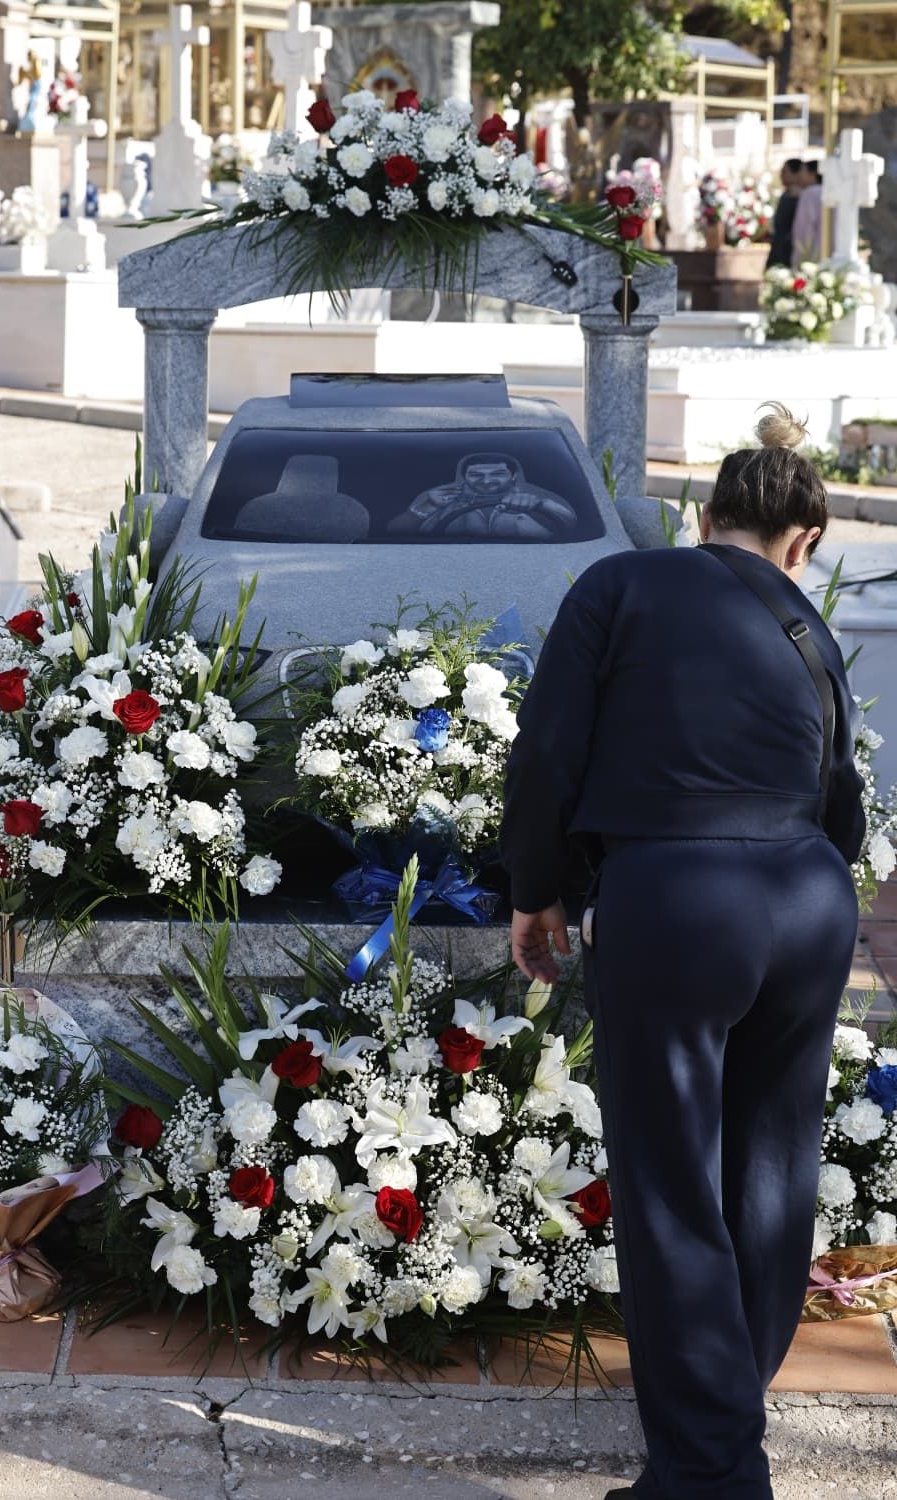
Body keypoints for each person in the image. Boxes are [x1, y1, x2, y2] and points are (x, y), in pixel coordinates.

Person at [500, 403, 865, 1500]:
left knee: (669, 1185)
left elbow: (548, 750)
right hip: (804, 900)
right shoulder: (807, 627)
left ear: (700, 515)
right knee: (769, 1172)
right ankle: (716, 1429)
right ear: (800, 541)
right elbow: (840, 793)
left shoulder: (619, 586)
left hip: (676, 896)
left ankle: (709, 1472)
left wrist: (537, 890)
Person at [388, 452, 577, 540]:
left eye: (497, 474)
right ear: (464, 478)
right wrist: (425, 508)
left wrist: (540, 506)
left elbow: (575, 528)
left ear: (513, 477)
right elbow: (393, 534)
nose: (486, 481)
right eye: (476, 475)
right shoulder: (442, 500)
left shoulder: (536, 498)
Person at [766, 157, 803, 268]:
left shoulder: (801, 197)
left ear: (796, 174)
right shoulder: (786, 194)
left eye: (785, 172)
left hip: (790, 249)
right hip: (778, 247)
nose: (781, 175)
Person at [791, 160, 823, 265]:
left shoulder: (809, 194)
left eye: (802, 171)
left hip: (810, 253)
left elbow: (803, 228)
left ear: (812, 173)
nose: (799, 175)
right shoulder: (828, 192)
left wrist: (799, 256)